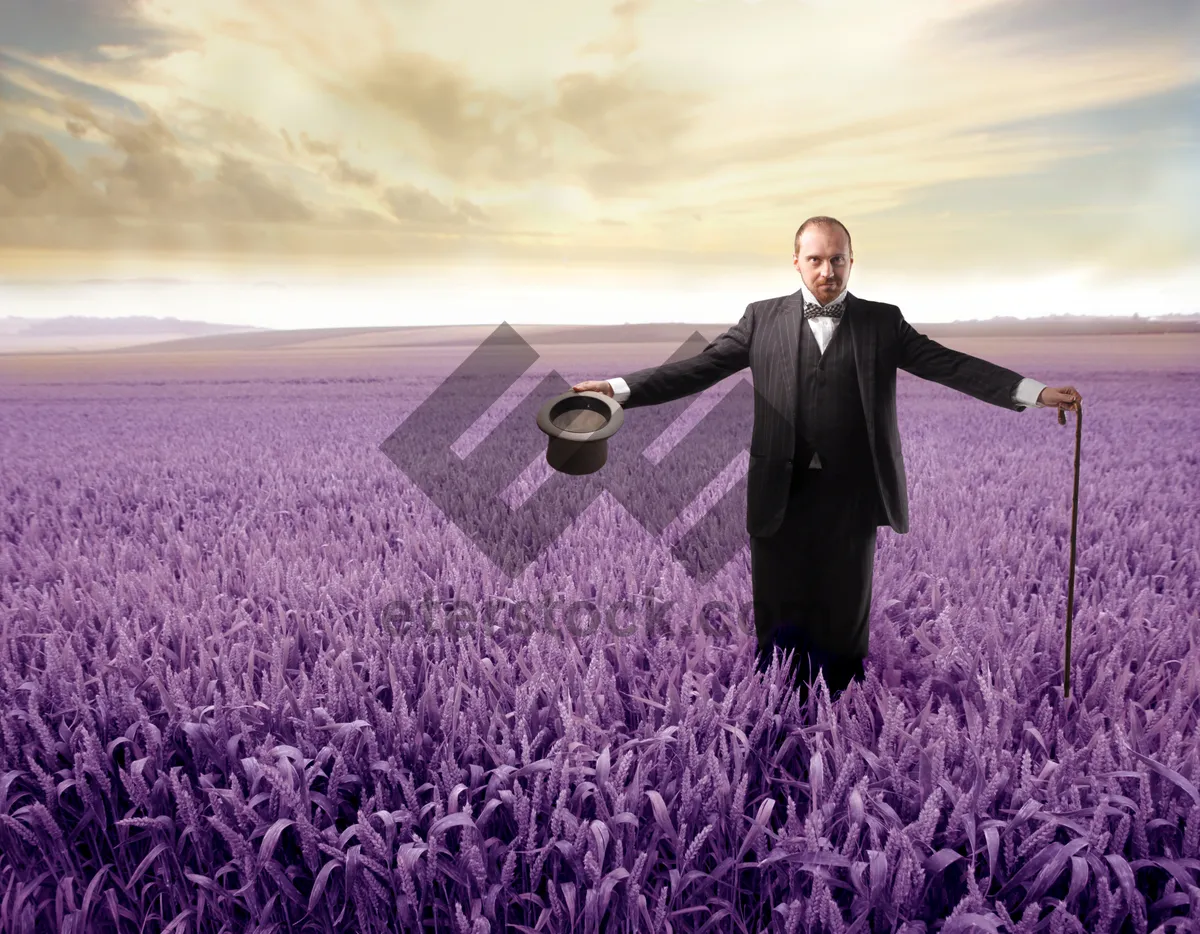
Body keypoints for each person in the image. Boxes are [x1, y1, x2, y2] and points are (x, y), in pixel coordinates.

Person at [572, 216, 1082, 705]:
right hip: (779, 487)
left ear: (852, 262)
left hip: (853, 491)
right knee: (778, 604)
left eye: (837, 260)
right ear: (795, 261)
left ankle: (845, 702)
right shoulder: (760, 317)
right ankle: (774, 697)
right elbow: (697, 370)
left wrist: (1034, 393)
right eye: (815, 259)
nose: (827, 271)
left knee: (843, 609)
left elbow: (950, 365)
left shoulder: (882, 321)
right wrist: (618, 389)